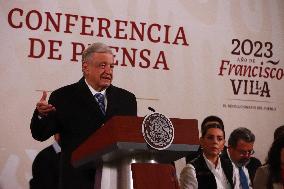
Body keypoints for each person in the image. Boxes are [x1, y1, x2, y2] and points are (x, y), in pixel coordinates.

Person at [30, 42, 137, 189]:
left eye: (111, 66)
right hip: (77, 181)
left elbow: (130, 140)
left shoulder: (127, 99)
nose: (108, 71)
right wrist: (41, 115)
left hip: (116, 181)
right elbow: (40, 134)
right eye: (102, 65)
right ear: (85, 67)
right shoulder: (63, 97)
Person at [179, 117, 234, 189]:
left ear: (223, 144)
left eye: (219, 139)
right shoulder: (191, 170)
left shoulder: (231, 166)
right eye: (210, 138)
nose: (215, 142)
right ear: (201, 141)